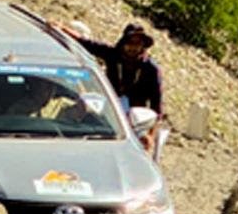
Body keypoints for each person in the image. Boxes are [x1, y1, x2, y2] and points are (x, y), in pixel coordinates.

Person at [63, 21, 167, 158]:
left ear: (143, 46)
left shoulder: (151, 69)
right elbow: (88, 44)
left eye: (137, 43)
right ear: (123, 44)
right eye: (130, 43)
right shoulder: (113, 54)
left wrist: (150, 135)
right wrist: (62, 29)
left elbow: (156, 107)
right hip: (108, 110)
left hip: (136, 120)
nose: (133, 48)